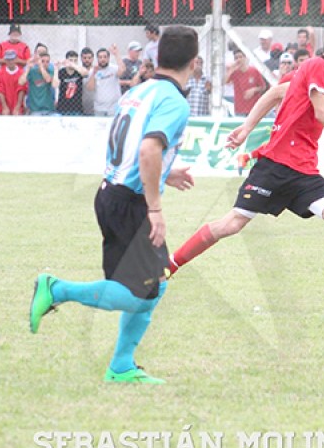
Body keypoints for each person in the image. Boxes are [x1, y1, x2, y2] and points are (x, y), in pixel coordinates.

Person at [168, 19, 324, 306]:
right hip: (275, 167)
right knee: (231, 224)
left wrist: (247, 128)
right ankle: (169, 265)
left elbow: (276, 93)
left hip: (304, 172)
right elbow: (322, 113)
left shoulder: (318, 74)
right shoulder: (319, 66)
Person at [28, 25, 199, 384]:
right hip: (129, 203)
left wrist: (165, 173)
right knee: (140, 296)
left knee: (156, 284)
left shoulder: (138, 91)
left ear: (157, 56)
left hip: (112, 192)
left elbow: (132, 146)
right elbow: (148, 148)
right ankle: (56, 289)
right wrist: (155, 208)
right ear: (194, 62)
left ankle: (122, 365)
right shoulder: (174, 101)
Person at [225, 48, 266, 116]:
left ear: (245, 58)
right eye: (236, 58)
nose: (239, 59)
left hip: (253, 108)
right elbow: (225, 82)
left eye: (240, 57)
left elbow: (263, 87)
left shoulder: (254, 71)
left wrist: (254, 90)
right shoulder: (235, 73)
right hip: (239, 109)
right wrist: (231, 70)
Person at [87, 45, 124, 116]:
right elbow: (90, 88)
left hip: (113, 108)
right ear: (97, 59)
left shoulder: (114, 68)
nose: (102, 59)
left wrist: (116, 54)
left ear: (108, 58)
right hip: (99, 108)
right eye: (100, 57)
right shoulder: (93, 71)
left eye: (105, 57)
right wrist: (94, 74)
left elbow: (122, 71)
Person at [56, 50, 89, 116]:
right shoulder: (61, 72)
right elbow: (55, 84)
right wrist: (56, 68)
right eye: (71, 60)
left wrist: (73, 65)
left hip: (77, 108)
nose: (73, 62)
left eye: (75, 60)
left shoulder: (79, 71)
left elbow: (85, 73)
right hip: (63, 108)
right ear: (66, 60)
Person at [0, 50, 26, 116]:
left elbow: (22, 90)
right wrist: (4, 107)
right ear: (5, 60)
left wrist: (17, 107)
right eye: (8, 59)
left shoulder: (21, 73)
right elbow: (0, 90)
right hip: (4, 107)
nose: (10, 62)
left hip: (17, 107)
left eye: (12, 59)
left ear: (16, 59)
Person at [80, 47, 95, 115]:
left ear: (93, 59)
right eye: (85, 58)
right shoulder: (78, 71)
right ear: (81, 58)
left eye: (89, 58)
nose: (87, 60)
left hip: (94, 104)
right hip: (80, 104)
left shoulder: (96, 71)